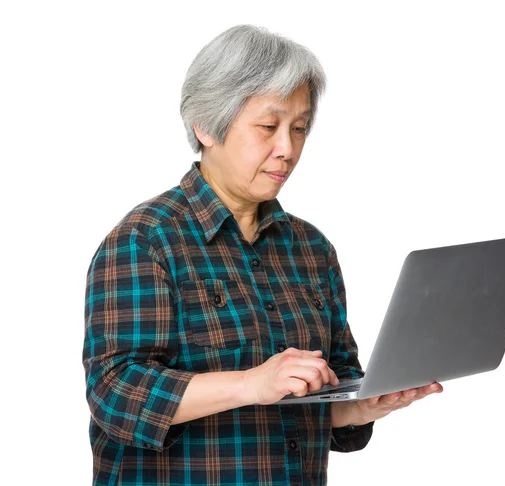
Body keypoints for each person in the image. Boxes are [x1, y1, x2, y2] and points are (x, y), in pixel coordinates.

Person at [82, 24, 442, 486]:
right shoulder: (144, 241)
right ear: (206, 126)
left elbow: (324, 398)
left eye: (299, 128)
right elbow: (116, 395)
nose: (287, 150)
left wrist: (360, 403)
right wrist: (251, 383)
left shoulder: (312, 250)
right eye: (268, 127)